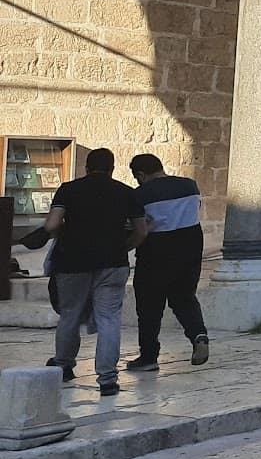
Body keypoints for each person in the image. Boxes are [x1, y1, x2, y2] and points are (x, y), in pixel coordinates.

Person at [42, 148, 148, 396]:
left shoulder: (68, 189)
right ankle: (108, 379)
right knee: (109, 318)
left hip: (73, 261)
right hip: (113, 262)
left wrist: (63, 238)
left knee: (70, 314)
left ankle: (64, 365)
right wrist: (125, 246)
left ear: (86, 168)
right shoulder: (126, 192)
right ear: (112, 168)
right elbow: (141, 231)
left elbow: (53, 224)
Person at [124, 154, 209, 371]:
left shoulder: (139, 195)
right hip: (190, 251)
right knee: (185, 298)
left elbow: (139, 229)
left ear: (140, 175)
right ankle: (199, 335)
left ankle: (149, 357)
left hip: (156, 252)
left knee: (149, 307)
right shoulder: (190, 186)